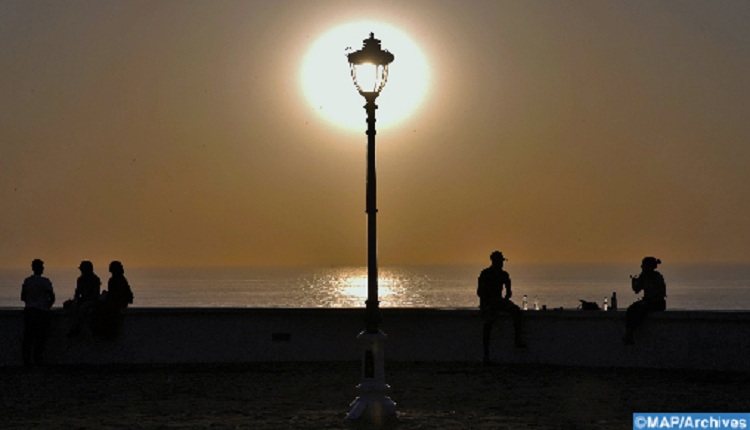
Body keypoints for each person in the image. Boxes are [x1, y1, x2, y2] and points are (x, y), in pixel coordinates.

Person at [477, 250, 526, 365]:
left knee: (516, 312)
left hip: (495, 302)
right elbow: (480, 292)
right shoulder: (487, 274)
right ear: (495, 261)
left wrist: (502, 301)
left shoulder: (499, 274)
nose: (502, 263)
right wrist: (496, 301)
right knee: (488, 323)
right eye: (500, 261)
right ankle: (486, 354)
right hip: (489, 303)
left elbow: (508, 293)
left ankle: (517, 340)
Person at [623, 256, 666, 345]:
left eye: (643, 265)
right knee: (631, 309)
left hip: (657, 303)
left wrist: (648, 300)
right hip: (648, 302)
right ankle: (628, 332)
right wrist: (634, 282)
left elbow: (660, 294)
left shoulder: (657, 277)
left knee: (640, 310)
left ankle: (630, 332)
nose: (641, 267)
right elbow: (636, 290)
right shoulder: (645, 276)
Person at [20, 259, 55, 366]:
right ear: (41, 268)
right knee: (40, 337)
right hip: (42, 311)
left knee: (28, 337)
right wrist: (47, 306)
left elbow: (23, 297)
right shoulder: (45, 281)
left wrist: (30, 302)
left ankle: (26, 360)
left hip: (29, 310)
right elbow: (52, 297)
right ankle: (38, 360)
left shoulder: (27, 281)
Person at [92, 260, 133, 339]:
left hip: (117, 303)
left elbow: (114, 294)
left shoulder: (114, 280)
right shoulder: (121, 279)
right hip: (119, 302)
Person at [66, 260, 101, 337]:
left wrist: (84, 299)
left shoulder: (95, 280)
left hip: (92, 300)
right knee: (73, 307)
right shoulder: (80, 280)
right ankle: (74, 327)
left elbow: (96, 294)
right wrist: (76, 300)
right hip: (83, 300)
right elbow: (77, 292)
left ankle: (76, 328)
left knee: (83, 307)